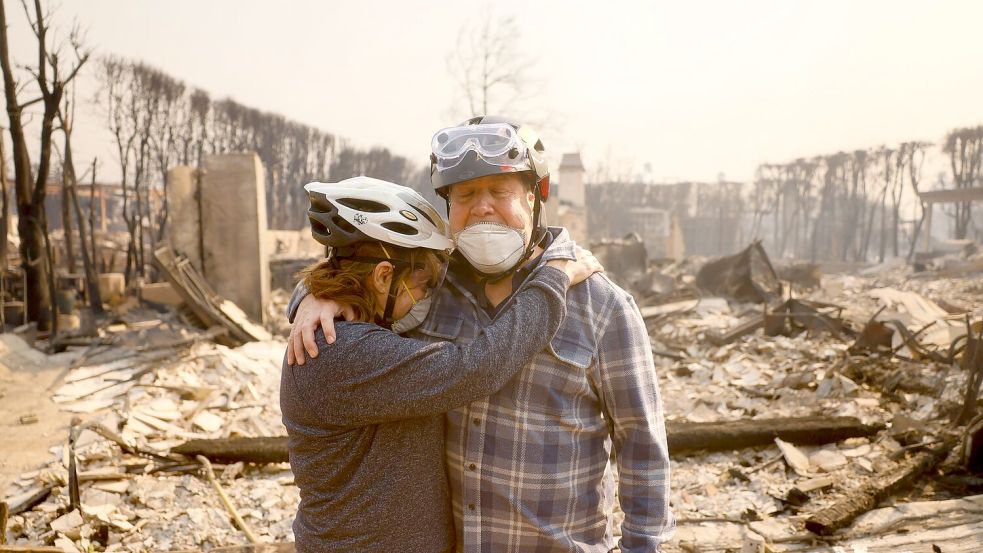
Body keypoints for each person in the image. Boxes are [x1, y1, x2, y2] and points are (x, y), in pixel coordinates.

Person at [289, 118, 674, 552]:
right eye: (466, 195)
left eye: (500, 191)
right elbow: (365, 269)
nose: (483, 207)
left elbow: (642, 447)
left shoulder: (602, 306)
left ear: (533, 197)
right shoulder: (431, 288)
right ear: (448, 207)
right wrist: (313, 296)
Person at [281, 175, 601, 553]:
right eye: (421, 286)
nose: (423, 300)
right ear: (384, 276)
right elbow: (475, 369)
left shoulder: (350, 329)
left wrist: (313, 294)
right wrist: (554, 278)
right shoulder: (342, 353)